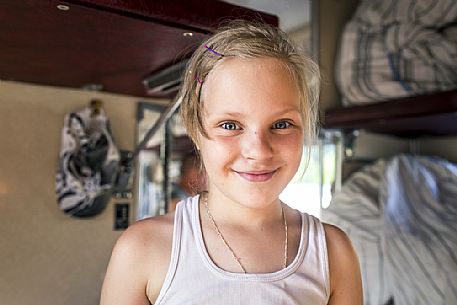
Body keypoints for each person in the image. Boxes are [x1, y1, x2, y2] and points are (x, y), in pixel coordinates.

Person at [100, 20, 363, 305]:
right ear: (195, 129)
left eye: (282, 123)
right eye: (229, 125)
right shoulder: (142, 249)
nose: (258, 151)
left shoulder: (334, 252)